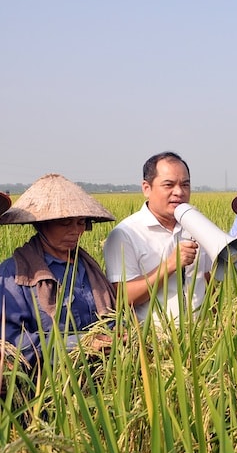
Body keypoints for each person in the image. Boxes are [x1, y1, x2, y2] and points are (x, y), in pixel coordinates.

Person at [0, 174, 117, 371]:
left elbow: (109, 314)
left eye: (81, 222)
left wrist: (116, 332)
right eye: (65, 223)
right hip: (49, 383)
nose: (75, 231)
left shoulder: (88, 268)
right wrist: (81, 344)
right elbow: (12, 341)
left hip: (103, 377)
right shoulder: (16, 274)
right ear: (42, 224)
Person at [103, 151, 212, 323]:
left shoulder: (198, 225)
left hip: (201, 338)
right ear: (147, 188)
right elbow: (122, 297)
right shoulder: (125, 234)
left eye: (185, 185)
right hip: (152, 343)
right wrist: (169, 265)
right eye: (169, 185)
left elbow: (207, 280)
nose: (179, 192)